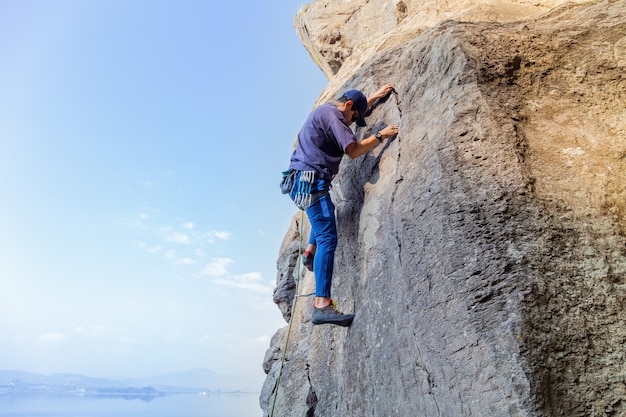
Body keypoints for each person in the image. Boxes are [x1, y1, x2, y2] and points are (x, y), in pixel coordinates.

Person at [286, 84, 399, 326]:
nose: (351, 123)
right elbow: (354, 150)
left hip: (302, 182)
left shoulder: (326, 111)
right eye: (353, 118)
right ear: (347, 107)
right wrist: (380, 136)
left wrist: (375, 97)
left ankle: (309, 252)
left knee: (325, 215)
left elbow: (354, 107)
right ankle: (322, 305)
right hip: (311, 182)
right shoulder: (335, 116)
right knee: (328, 236)